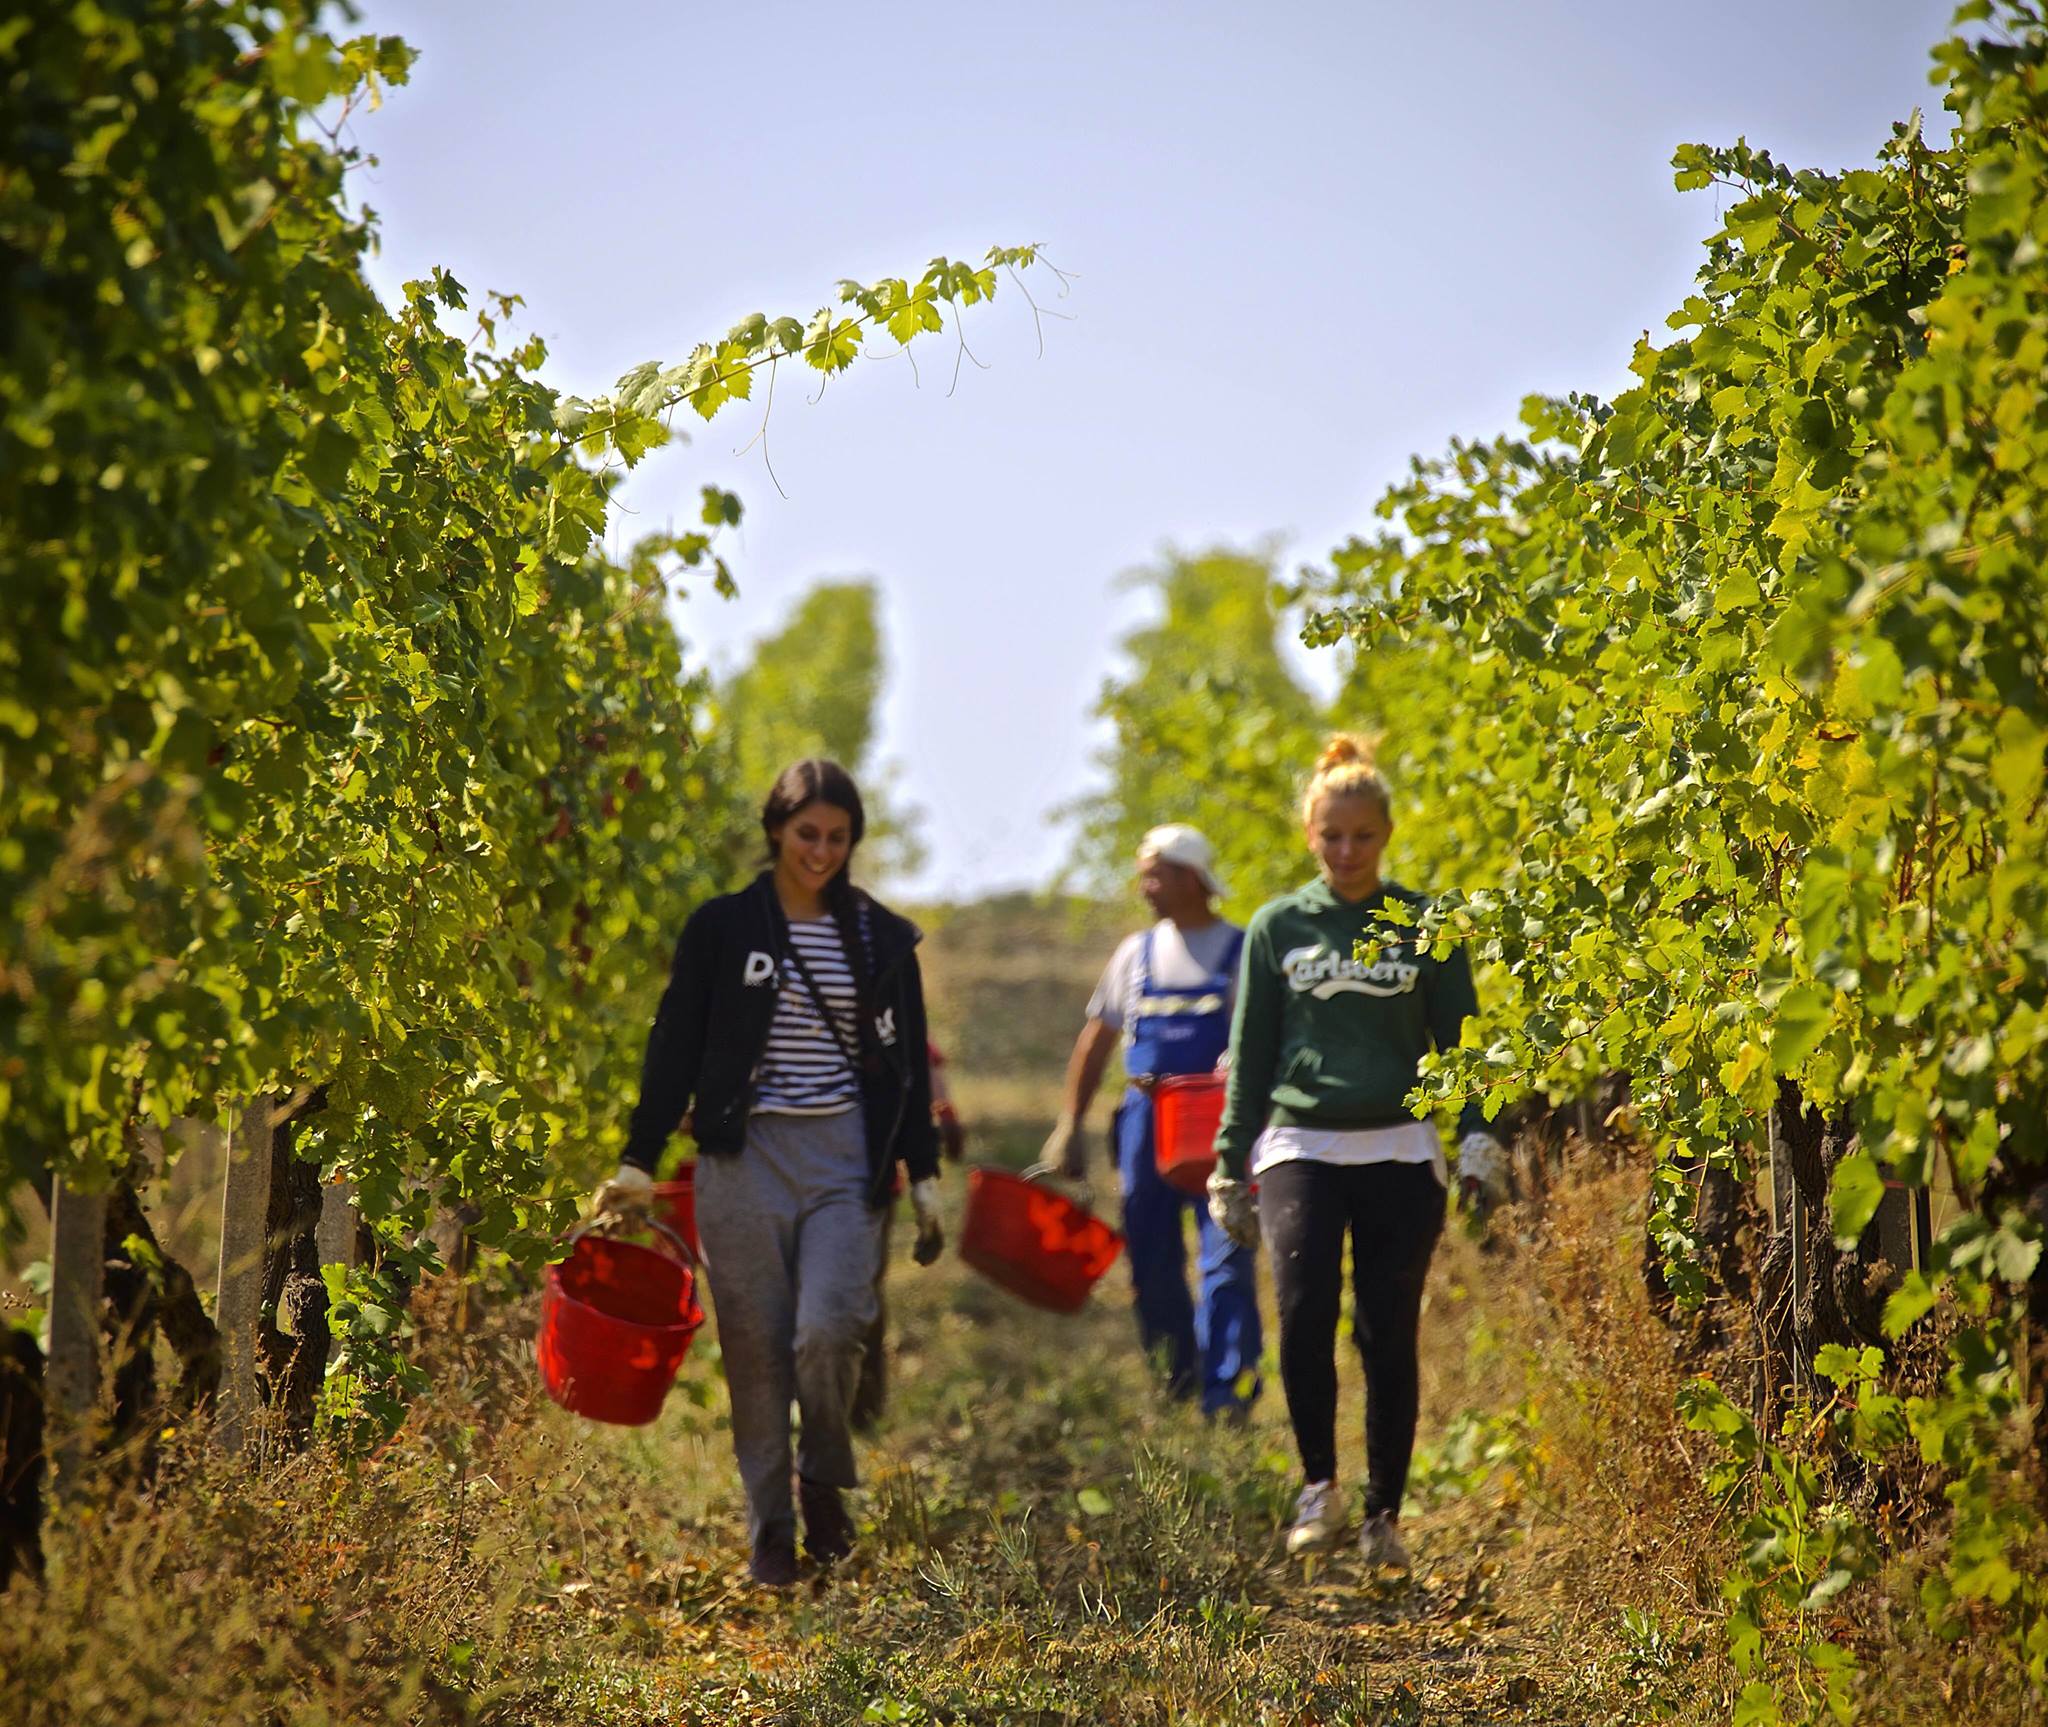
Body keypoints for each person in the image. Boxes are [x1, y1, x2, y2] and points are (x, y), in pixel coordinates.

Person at [591, 759, 945, 1588]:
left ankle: (822, 1478)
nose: (820, 850)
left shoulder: (884, 940)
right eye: (806, 833)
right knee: (755, 1353)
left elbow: (907, 1066)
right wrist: (640, 1159)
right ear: (776, 831)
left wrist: (922, 1174)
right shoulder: (723, 928)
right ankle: (771, 1533)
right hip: (742, 1162)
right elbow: (674, 1040)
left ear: (853, 841)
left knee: (827, 1331)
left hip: (845, 1162)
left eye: (837, 836)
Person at [1206, 735, 1507, 1568]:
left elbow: (1467, 1043)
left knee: (1387, 1332)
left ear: (1386, 834)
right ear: (1310, 834)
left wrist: (1479, 1134)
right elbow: (1252, 1052)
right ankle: (1318, 1486)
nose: (1347, 852)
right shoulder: (1278, 927)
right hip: (1301, 1142)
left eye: (1362, 836)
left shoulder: (1425, 925)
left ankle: (1383, 1514)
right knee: (1303, 1313)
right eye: (1331, 836)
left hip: (1401, 1151)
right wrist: (1229, 1161)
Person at [1042, 824, 1261, 1416]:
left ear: (1191, 878)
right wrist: (1070, 1123)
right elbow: (1097, 1040)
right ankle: (1176, 1379)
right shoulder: (1133, 955)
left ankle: (1228, 1396)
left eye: (1154, 875)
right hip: (1145, 1120)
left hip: (1219, 1122)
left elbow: (1264, 1048)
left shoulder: (1242, 952)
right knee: (1151, 1255)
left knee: (1227, 1255)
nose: (1146, 888)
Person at [850, 1039, 964, 1433]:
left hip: (872, 1182)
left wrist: (945, 1114)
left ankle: (865, 1403)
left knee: (864, 1291)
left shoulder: (886, 1015)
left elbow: (927, 1065)